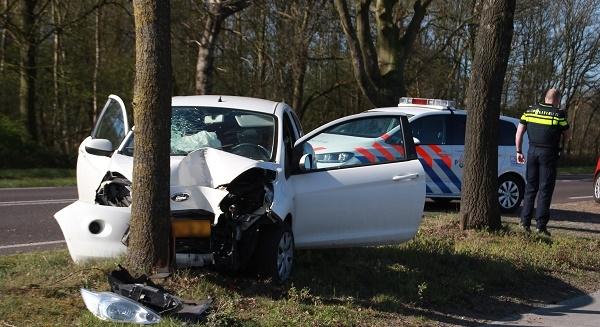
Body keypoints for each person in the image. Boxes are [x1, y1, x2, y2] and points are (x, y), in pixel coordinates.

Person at [515, 89, 569, 236]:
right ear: (557, 100)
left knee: (530, 188)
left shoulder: (530, 110)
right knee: (545, 190)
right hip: (549, 154)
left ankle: (524, 223)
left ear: (545, 98)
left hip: (532, 152)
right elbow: (567, 135)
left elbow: (519, 132)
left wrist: (518, 151)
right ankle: (540, 226)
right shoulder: (558, 114)